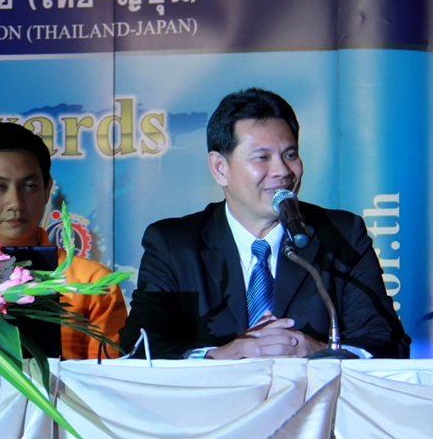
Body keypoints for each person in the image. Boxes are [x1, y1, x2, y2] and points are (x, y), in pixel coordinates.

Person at [119, 88, 410, 360]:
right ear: (220, 168)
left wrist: (320, 351)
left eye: (290, 155)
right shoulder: (173, 245)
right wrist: (219, 355)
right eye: (262, 158)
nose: (283, 171)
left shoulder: (341, 235)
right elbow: (138, 347)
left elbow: (388, 343)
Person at [0, 122, 127, 359]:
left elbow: (108, 377)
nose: (15, 202)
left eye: (29, 186)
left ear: (47, 190)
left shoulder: (92, 282)